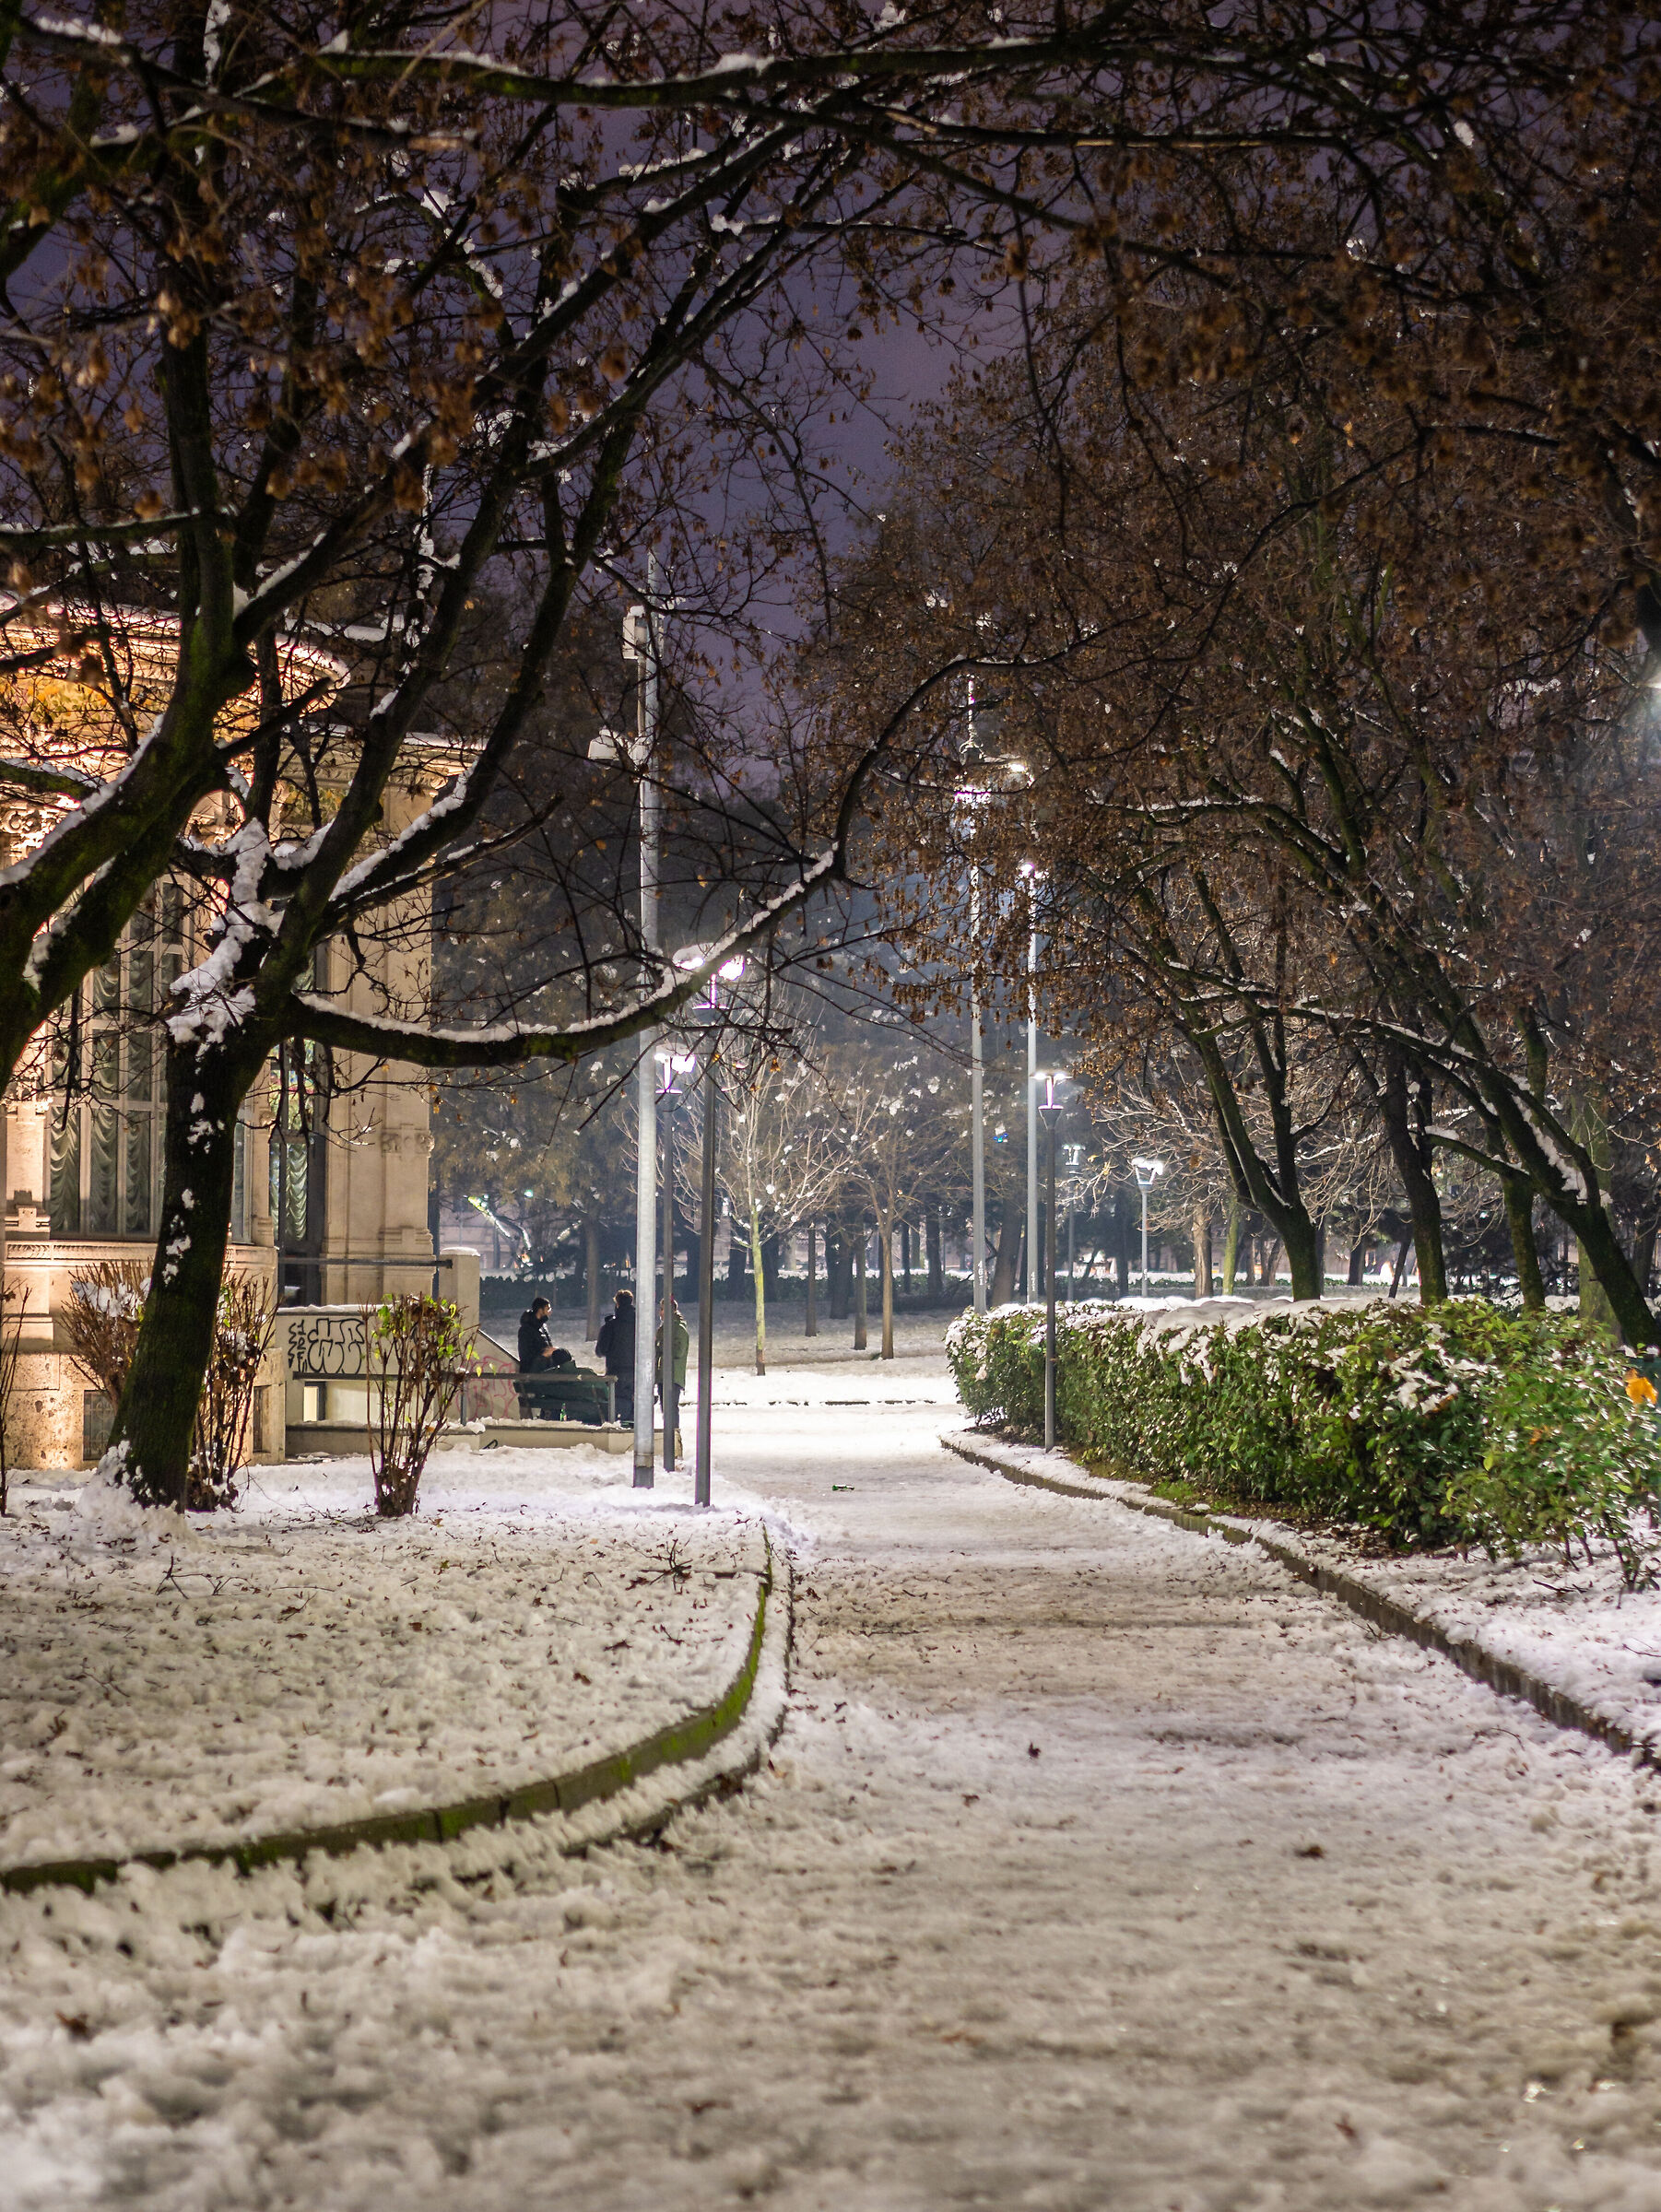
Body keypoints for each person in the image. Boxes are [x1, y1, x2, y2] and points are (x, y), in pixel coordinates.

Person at [595, 1288, 636, 1424]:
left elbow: (601, 1350)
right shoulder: (640, 1325)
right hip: (636, 1373)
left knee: (616, 1407)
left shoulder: (610, 1326)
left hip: (615, 1372)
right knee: (634, 1406)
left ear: (617, 1304)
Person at [655, 1298, 689, 1458]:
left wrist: (660, 1346)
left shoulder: (679, 1328)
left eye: (662, 1309)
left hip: (673, 1375)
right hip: (663, 1374)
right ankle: (669, 1438)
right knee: (665, 1409)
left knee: (671, 1408)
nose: (659, 1312)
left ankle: (674, 1440)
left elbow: (678, 1351)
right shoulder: (663, 1328)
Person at [517, 1295, 555, 1373]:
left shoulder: (543, 1326)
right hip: (532, 1373)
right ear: (540, 1310)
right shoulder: (525, 1329)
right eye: (548, 1309)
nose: (550, 1312)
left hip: (545, 1370)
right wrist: (543, 1355)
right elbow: (525, 1355)